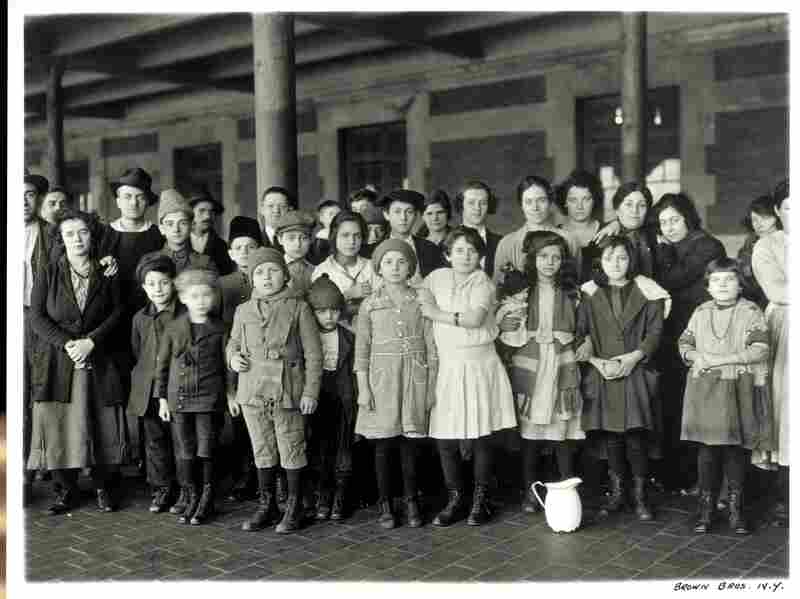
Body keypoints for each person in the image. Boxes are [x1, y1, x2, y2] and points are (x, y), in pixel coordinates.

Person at [28, 209, 128, 514]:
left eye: (82, 232)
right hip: (59, 360)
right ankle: (65, 490)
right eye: (69, 233)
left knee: (101, 421)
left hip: (99, 356)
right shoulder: (48, 272)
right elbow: (37, 317)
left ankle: (104, 487)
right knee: (59, 423)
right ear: (61, 239)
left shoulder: (107, 270)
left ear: (92, 235)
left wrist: (91, 342)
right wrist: (68, 344)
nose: (77, 239)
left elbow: (118, 311)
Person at [418, 227, 516, 526]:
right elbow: (420, 294)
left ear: (480, 256)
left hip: (478, 364)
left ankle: (480, 500)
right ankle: (456, 498)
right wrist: (428, 302)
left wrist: (435, 312)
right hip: (447, 365)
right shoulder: (436, 277)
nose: (465, 256)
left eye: (472, 250)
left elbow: (474, 319)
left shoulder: (483, 282)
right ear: (447, 254)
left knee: (479, 434)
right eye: (458, 250)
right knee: (446, 437)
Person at [227, 248, 323, 534]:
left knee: (291, 446)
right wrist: (232, 357)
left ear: (285, 274)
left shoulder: (299, 307)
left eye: (272, 270)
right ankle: (267, 505)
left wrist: (310, 392)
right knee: (262, 449)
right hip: (252, 391)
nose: (266, 277)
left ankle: (294, 506)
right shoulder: (243, 310)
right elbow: (232, 342)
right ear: (251, 278)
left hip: (288, 391)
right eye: (259, 272)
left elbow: (314, 354)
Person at [578, 235, 670, 520]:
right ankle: (618, 494)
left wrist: (632, 359)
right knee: (612, 437)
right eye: (609, 258)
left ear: (631, 260)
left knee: (635, 436)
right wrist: (596, 362)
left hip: (635, 370)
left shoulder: (648, 291)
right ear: (599, 262)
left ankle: (640, 496)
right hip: (603, 371)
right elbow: (582, 334)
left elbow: (654, 334)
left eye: (622, 258)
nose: (615, 264)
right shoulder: (589, 293)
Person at [678, 258, 772, 535]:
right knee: (706, 451)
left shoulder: (751, 311)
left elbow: (760, 349)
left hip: (735, 389)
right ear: (707, 286)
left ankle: (735, 510)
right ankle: (705, 511)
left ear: (740, 285)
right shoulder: (700, 311)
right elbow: (685, 343)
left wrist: (719, 359)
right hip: (704, 389)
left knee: (734, 450)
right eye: (716, 280)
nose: (722, 285)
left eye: (729, 279)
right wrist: (696, 356)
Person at [498, 231, 585, 513]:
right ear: (533, 259)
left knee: (561, 431)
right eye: (543, 256)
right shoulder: (523, 292)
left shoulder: (573, 293)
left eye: (556, 257)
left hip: (562, 361)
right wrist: (511, 320)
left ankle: (566, 493)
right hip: (533, 362)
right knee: (532, 435)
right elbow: (508, 327)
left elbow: (584, 329)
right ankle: (530, 492)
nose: (550, 262)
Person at [355, 239, 437, 529]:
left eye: (401, 262)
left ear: (411, 267)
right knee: (384, 445)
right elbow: (362, 350)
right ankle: (386, 503)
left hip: (414, 379)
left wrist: (430, 386)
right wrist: (364, 389)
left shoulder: (421, 300)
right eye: (388, 262)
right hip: (382, 381)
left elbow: (431, 345)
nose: (395, 268)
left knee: (410, 444)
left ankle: (411, 499)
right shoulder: (370, 304)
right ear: (378, 268)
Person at [652, 192, 726, 494]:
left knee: (701, 405)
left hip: (703, 336)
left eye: (674, 220)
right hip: (675, 336)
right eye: (663, 223)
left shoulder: (706, 245)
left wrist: (664, 255)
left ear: (688, 218)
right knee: (676, 405)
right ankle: (680, 476)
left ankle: (704, 480)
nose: (668, 227)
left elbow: (672, 280)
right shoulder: (674, 247)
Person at [155, 268, 227, 526]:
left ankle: (207, 498)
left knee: (206, 447)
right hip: (179, 399)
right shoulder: (173, 328)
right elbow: (161, 366)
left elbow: (227, 365)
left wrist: (230, 394)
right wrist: (162, 398)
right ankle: (192, 495)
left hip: (209, 397)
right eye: (194, 295)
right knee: (186, 449)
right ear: (183, 298)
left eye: (206, 295)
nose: (201, 301)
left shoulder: (219, 328)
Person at [128, 254, 184, 514]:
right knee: (154, 441)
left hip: (177, 389)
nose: (158, 289)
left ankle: (186, 488)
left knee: (181, 439)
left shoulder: (184, 314)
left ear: (173, 283)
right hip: (148, 389)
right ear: (143, 288)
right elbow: (137, 351)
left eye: (163, 283)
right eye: (151, 284)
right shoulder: (140, 318)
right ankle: (162, 488)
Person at [751, 180, 789, 526]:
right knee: (785, 403)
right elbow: (777, 289)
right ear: (777, 211)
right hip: (786, 326)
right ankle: (786, 496)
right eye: (790, 208)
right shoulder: (766, 246)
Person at [218, 215, 263, 502]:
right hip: (236, 364)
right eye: (239, 247)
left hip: (266, 365)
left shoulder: (270, 279)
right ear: (230, 253)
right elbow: (221, 336)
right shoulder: (224, 285)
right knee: (240, 428)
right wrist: (229, 387)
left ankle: (266, 477)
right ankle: (244, 477)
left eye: (250, 247)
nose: (245, 253)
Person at [305, 274, 358, 521]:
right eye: (322, 311)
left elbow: (355, 374)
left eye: (335, 311)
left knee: (343, 449)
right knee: (319, 449)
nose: (329, 317)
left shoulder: (349, 338)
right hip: (317, 398)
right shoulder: (306, 338)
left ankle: (341, 496)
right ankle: (322, 495)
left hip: (343, 399)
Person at [23, 171, 53, 504]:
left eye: (29, 194)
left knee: (36, 393)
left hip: (38, 320)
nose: (22, 202)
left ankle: (26, 473)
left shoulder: (51, 236)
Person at [493, 175, 578, 287]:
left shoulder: (569, 240)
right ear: (521, 205)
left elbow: (576, 284)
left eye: (541, 200)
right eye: (528, 202)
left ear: (550, 202)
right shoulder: (507, 243)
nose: (535, 207)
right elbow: (498, 288)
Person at [311, 210, 380, 327]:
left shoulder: (373, 267)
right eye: (345, 235)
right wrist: (347, 295)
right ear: (334, 236)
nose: (351, 241)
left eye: (356, 236)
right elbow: (319, 313)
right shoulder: (322, 271)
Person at [584, 181, 657, 283]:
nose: (635, 211)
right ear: (617, 209)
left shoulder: (654, 235)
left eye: (642, 205)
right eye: (628, 204)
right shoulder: (604, 238)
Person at [142, 189, 218, 274]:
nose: (176, 229)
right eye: (170, 224)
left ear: (191, 226)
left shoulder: (205, 263)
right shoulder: (149, 262)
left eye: (183, 223)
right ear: (161, 228)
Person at [381, 189, 447, 281]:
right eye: (397, 211)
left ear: (416, 215)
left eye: (409, 212)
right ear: (386, 215)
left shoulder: (431, 249)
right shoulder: (372, 250)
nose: (403, 217)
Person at [556, 170, 604, 280]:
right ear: (565, 202)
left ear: (594, 201)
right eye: (573, 200)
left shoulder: (608, 231)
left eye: (586, 199)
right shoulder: (554, 235)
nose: (579, 206)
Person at [737, 195, 779, 309]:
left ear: (778, 217)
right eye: (755, 220)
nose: (759, 225)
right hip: (753, 301)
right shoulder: (750, 243)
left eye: (765, 218)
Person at [455, 180, 503, 279]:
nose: (477, 208)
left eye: (483, 203)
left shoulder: (501, 243)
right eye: (471, 203)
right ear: (461, 205)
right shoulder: (448, 241)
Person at [188, 186, 235, 275]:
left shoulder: (222, 247)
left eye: (211, 212)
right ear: (190, 213)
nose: (208, 216)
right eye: (202, 211)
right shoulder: (178, 243)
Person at [276, 210, 316, 295]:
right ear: (280, 239)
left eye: (303, 238)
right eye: (291, 238)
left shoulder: (316, 270)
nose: (298, 244)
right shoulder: (275, 269)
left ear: (310, 240)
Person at [309, 198, 342, 265]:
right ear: (321, 218)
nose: (336, 217)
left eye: (339, 214)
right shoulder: (320, 238)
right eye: (331, 214)